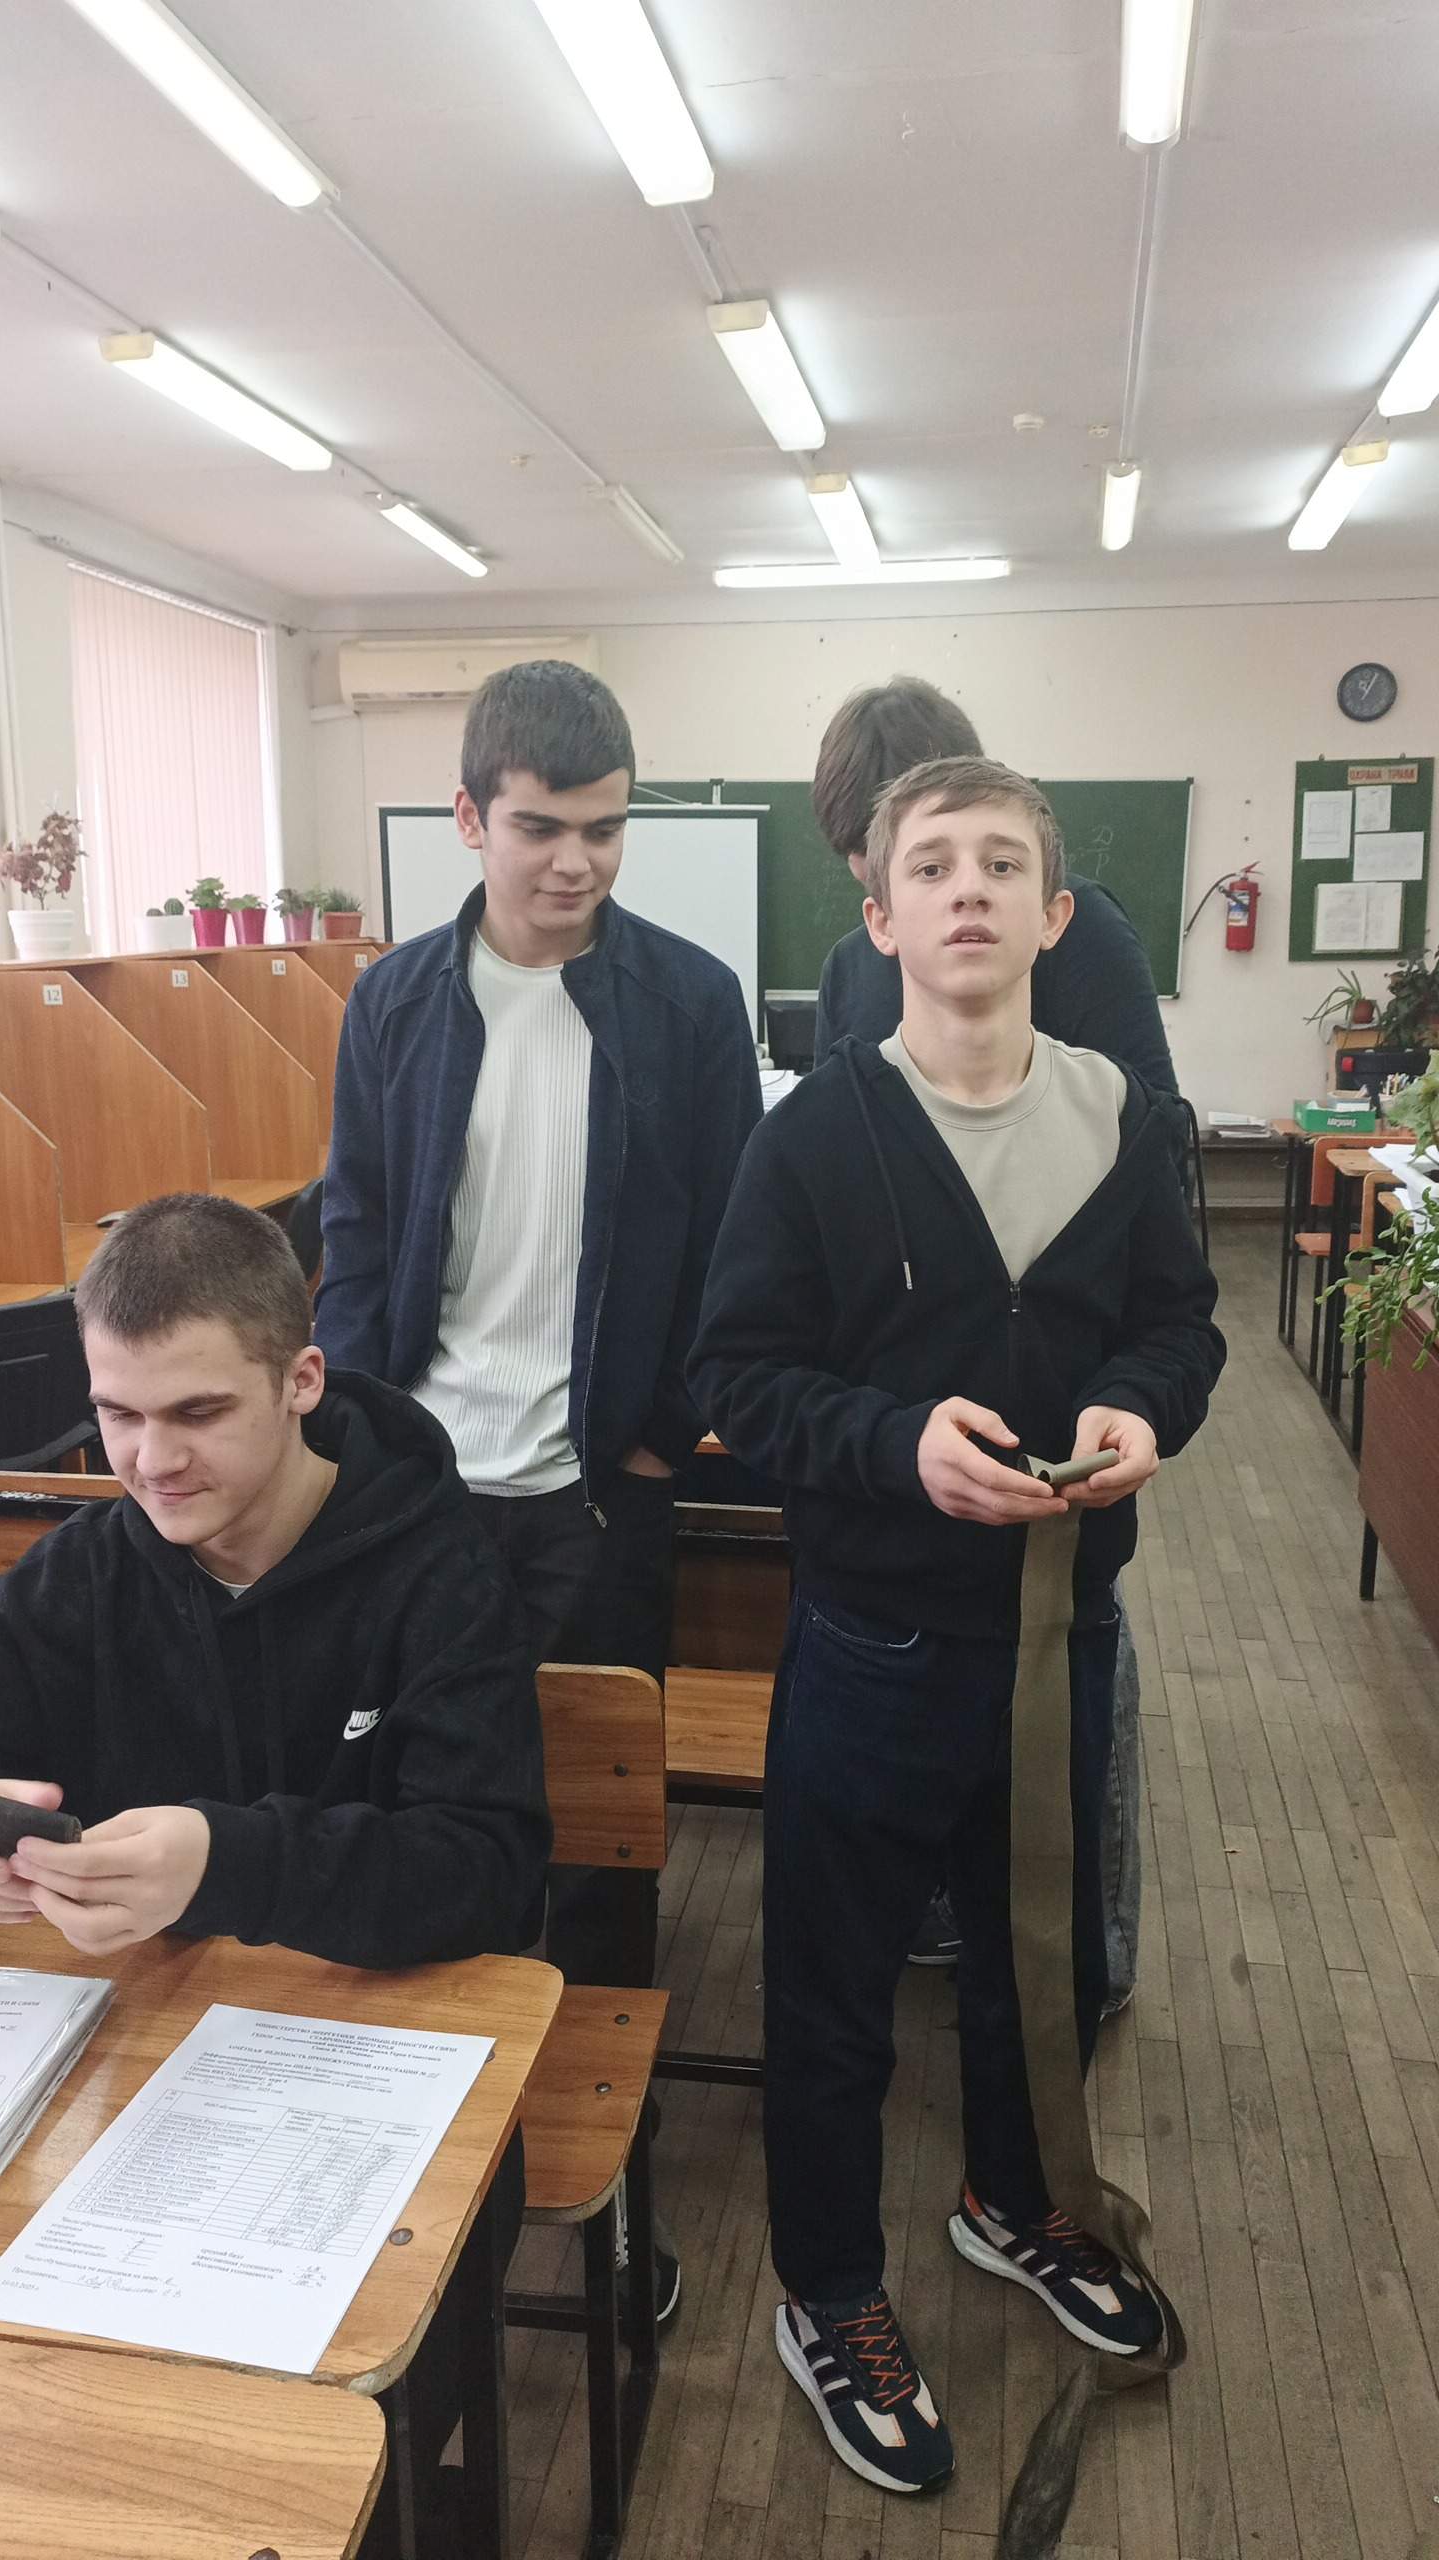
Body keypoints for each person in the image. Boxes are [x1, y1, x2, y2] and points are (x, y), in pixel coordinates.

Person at [689, 756, 1223, 2493]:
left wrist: (1146, 1404)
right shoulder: (814, 1136)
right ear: (881, 917)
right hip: (875, 1647)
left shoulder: (1120, 1117)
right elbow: (738, 1378)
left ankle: (1017, 2200)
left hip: (1064, 1640)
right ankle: (830, 2287)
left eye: (1004, 863)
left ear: (1056, 916)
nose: (970, 887)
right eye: (933, 865)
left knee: (1034, 1963)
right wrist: (895, 1445)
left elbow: (1181, 1322)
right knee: (838, 1992)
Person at [317, 659, 763, 2319]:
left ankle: (611, 2209)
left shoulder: (688, 1004)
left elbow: (733, 1249)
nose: (575, 861)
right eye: (540, 829)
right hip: (424, 1492)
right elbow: (357, 1228)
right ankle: (431, 2174)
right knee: (425, 1816)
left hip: (595, 1491)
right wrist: (359, 1433)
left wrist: (657, 1435)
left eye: (605, 830)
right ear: (469, 819)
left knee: (598, 1847)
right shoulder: (396, 1002)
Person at [811, 676, 1175, 1999]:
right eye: (882, 866)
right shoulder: (853, 969)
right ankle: (949, 1902)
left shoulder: (1088, 942)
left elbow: (1150, 1150)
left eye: (967, 859)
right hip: (917, 1435)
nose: (933, 894)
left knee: (1075, 1685)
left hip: (1061, 1429)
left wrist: (1125, 1382)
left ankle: (1088, 1958)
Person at [0, 1193, 550, 1970]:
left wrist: (228, 1865)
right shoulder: (71, 1575)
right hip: (142, 2005)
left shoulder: (441, 1577)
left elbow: (488, 1874)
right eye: (118, 1415)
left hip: (366, 2012)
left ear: (302, 1381)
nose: (154, 1462)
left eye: (199, 1412)